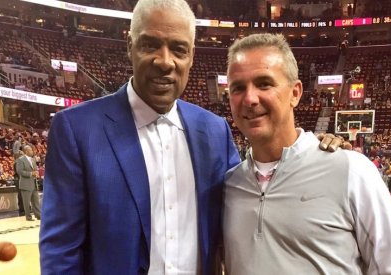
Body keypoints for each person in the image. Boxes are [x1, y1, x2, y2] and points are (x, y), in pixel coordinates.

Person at [38, 0, 346, 273]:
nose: (165, 61)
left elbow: (254, 193)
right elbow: (60, 251)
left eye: (178, 49)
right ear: (129, 45)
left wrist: (312, 151)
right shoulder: (77, 129)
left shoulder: (213, 130)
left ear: (191, 56)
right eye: (150, 45)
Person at [222, 33, 391, 274]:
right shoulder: (230, 185)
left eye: (264, 84)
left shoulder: (352, 170)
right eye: (238, 88)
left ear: (295, 93)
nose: (249, 98)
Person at [15, 145, 41, 221]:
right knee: (26, 202)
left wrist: (36, 173)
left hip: (34, 183)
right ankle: (28, 217)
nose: (32, 151)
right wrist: (30, 174)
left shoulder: (33, 160)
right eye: (30, 150)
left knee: (36, 201)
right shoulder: (20, 160)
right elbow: (19, 171)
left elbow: (35, 169)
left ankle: (39, 215)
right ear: (26, 151)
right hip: (25, 184)